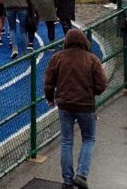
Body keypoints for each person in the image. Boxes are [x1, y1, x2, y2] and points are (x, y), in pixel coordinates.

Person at [44, 28, 107, 189]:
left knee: (66, 141)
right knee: (88, 139)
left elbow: (49, 82)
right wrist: (93, 92)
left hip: (64, 104)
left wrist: (50, 98)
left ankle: (66, 180)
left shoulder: (57, 58)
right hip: (86, 105)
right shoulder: (92, 59)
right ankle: (81, 175)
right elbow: (101, 85)